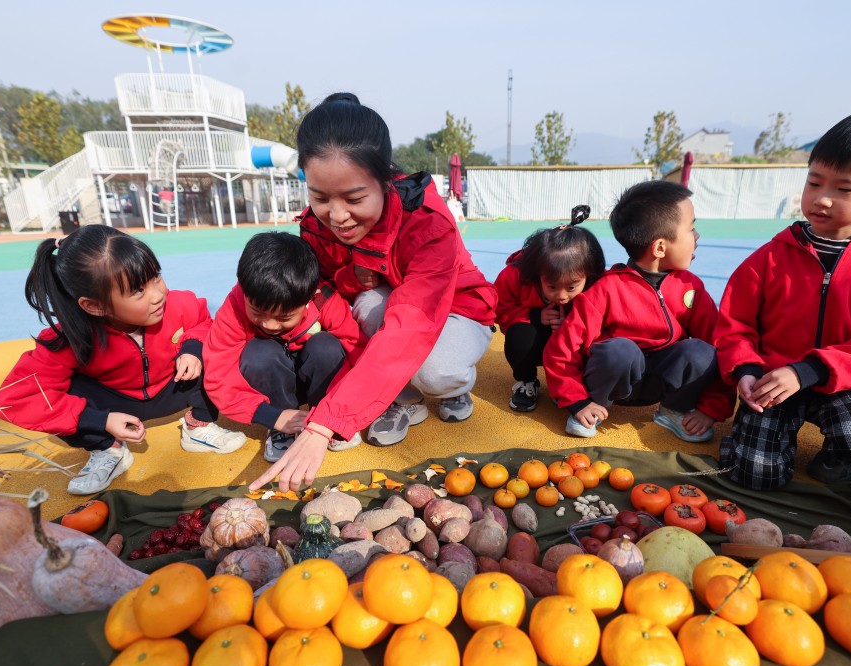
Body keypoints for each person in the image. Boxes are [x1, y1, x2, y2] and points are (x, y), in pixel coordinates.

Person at [253, 92, 497, 491]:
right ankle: (401, 398)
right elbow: (326, 291)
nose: (337, 216)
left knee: (436, 371)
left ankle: (452, 386)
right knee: (365, 303)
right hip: (389, 306)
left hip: (456, 308)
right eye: (319, 197)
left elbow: (409, 328)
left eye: (354, 198)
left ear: (386, 181)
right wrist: (351, 279)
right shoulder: (314, 228)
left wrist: (325, 424)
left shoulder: (428, 223)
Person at [715, 108, 851, 490]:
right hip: (772, 382)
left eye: (844, 189)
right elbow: (734, 323)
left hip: (845, 384)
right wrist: (745, 369)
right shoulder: (771, 255)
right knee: (755, 477)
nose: (822, 199)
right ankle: (753, 441)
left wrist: (808, 371)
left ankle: (838, 452)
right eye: (814, 182)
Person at [0, 225, 246, 495]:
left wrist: (192, 349)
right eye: (138, 290)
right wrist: (97, 420)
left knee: (217, 348)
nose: (157, 294)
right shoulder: (69, 339)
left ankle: (199, 427)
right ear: (95, 305)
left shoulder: (180, 305)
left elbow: (204, 323)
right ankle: (108, 450)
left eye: (156, 276)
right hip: (114, 406)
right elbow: (16, 398)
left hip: (172, 388)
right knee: (57, 392)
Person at [543, 181, 731, 442]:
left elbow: (720, 346)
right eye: (691, 228)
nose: (697, 236)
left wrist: (711, 407)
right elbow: (562, 349)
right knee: (620, 350)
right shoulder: (607, 289)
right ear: (660, 248)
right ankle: (592, 410)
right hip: (616, 379)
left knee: (701, 352)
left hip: (661, 379)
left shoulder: (691, 287)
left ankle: (673, 410)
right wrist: (577, 400)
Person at [203, 232, 367, 462]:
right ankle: (282, 429)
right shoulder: (234, 308)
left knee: (327, 346)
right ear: (245, 290)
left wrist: (345, 410)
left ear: (310, 297)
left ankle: (327, 418)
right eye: (258, 313)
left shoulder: (325, 300)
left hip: (315, 380)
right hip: (272, 383)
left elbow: (358, 353)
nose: (270, 324)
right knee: (258, 353)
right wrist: (271, 416)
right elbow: (219, 374)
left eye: (284, 317)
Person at [494, 204, 606, 412]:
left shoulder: (598, 284)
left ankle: (573, 383)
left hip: (573, 342)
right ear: (538, 274)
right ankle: (527, 381)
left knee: (598, 343)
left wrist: (575, 321)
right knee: (519, 336)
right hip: (536, 338)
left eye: (572, 287)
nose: (562, 296)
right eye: (552, 286)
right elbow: (499, 309)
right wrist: (535, 316)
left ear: (588, 274)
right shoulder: (515, 276)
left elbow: (607, 319)